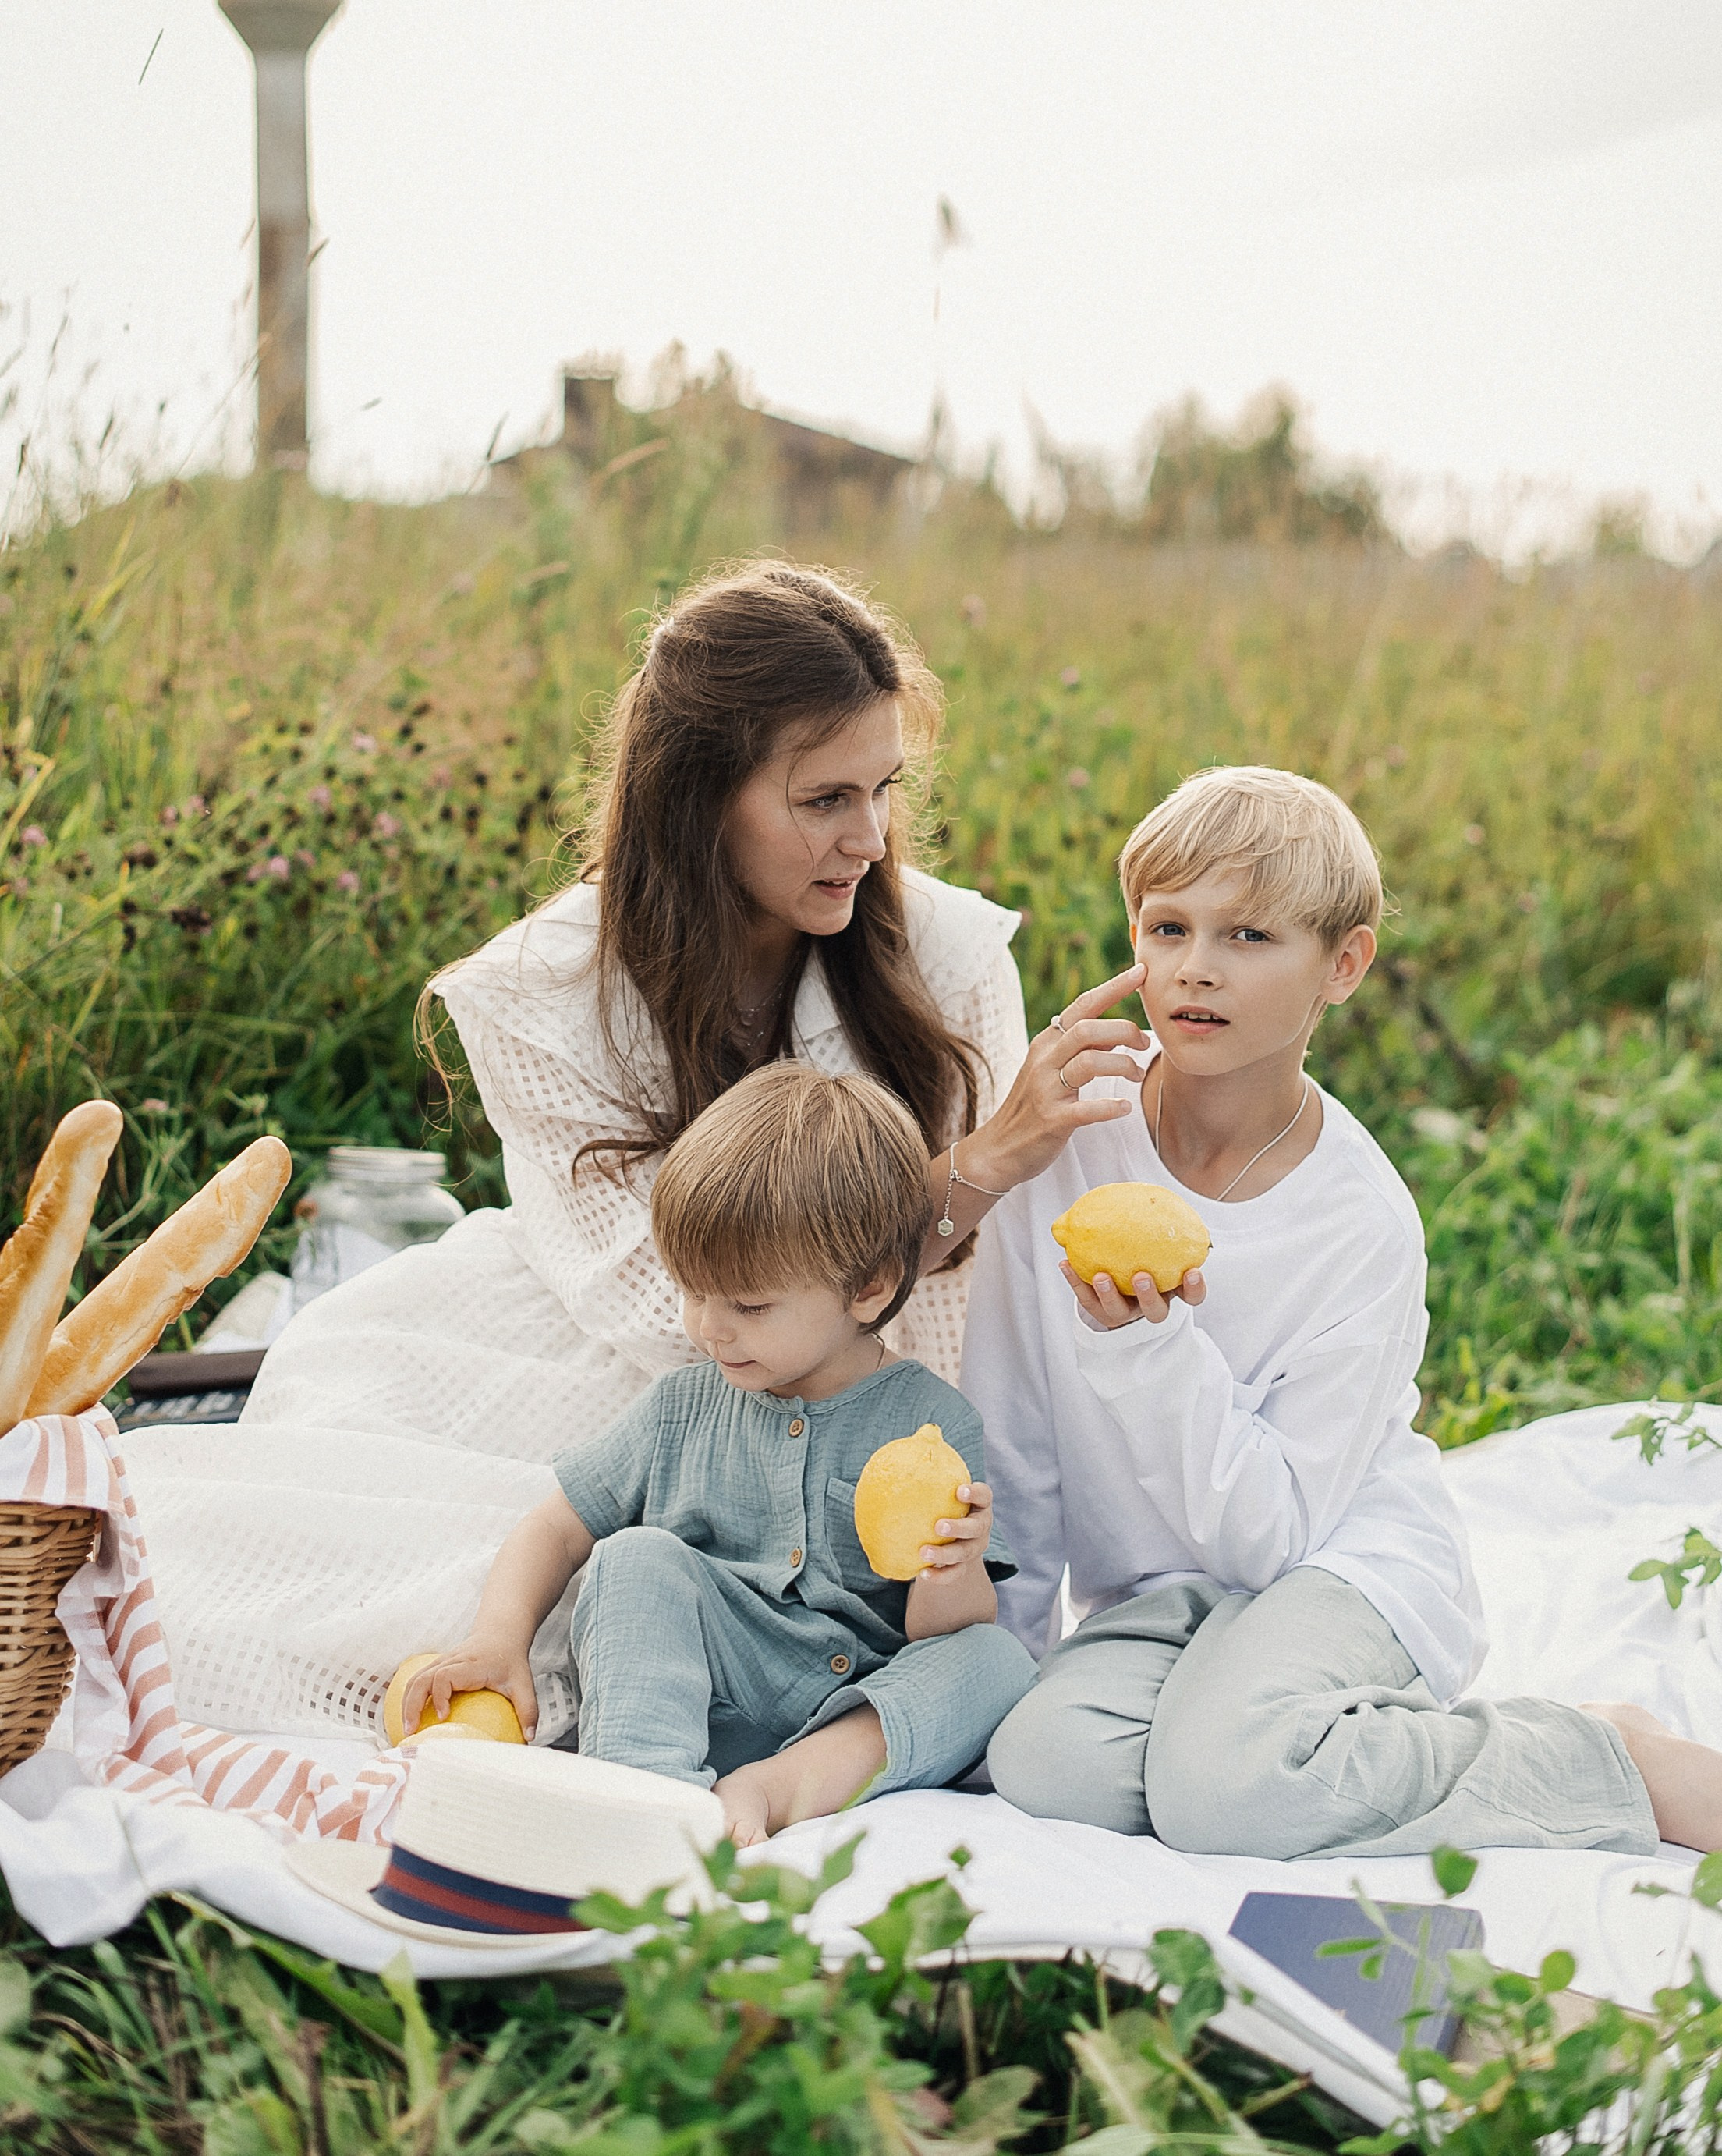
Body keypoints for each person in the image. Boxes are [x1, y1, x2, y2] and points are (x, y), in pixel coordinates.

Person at [124, 561, 1145, 1739]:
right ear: (700, 796)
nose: (868, 839)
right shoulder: (543, 993)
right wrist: (969, 1173)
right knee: (393, 1573)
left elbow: (979, 1304)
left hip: (883, 1385)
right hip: (631, 1363)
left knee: (927, 1644)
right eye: (822, 800)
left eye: (882, 792)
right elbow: (676, 1314)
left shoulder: (949, 956)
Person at [966, 764, 1722, 1860]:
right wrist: (1008, 1659)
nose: (1193, 970)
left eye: (1248, 937)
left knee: (1222, 1795)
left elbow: (1271, 1531)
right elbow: (1016, 1433)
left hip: (1336, 1563)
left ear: (1343, 963)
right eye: (1166, 928)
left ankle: (1590, 1753)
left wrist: (1145, 1344)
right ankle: (1250, 1729)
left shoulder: (1358, 1219)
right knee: (1046, 1765)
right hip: (1163, 1598)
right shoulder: (1070, 1137)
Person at [402, 1064, 1035, 1843]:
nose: (710, 1327)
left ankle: (776, 1788)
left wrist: (953, 1567)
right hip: (707, 1697)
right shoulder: (682, 1406)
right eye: (693, 1289)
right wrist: (498, 1636)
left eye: (749, 1303)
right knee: (632, 1557)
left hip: (848, 1714)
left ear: (868, 1287)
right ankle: (643, 1797)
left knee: (997, 1660)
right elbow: (557, 1527)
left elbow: (936, 1638)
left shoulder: (931, 1424)